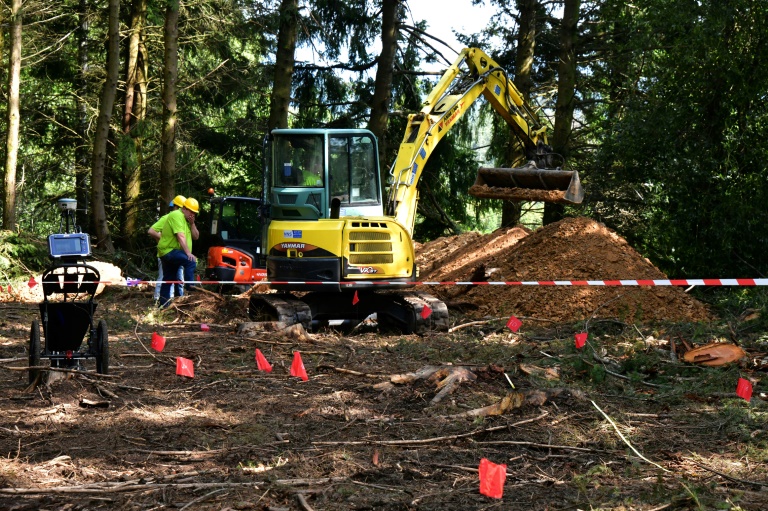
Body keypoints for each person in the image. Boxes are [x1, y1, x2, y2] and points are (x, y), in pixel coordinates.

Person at [157, 197, 200, 307]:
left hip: (172, 251)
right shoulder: (177, 215)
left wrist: (192, 223)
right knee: (191, 261)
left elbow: (196, 237)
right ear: (184, 209)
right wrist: (188, 253)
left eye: (195, 213)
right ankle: (191, 289)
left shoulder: (187, 220)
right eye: (191, 212)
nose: (193, 215)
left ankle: (163, 306)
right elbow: (180, 236)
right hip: (169, 250)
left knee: (168, 279)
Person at [148, 195, 186, 302]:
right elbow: (151, 231)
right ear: (176, 207)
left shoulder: (181, 220)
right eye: (182, 209)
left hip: (177, 254)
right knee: (164, 277)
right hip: (166, 253)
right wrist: (165, 240)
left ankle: (179, 301)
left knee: (179, 279)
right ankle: (158, 300)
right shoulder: (167, 218)